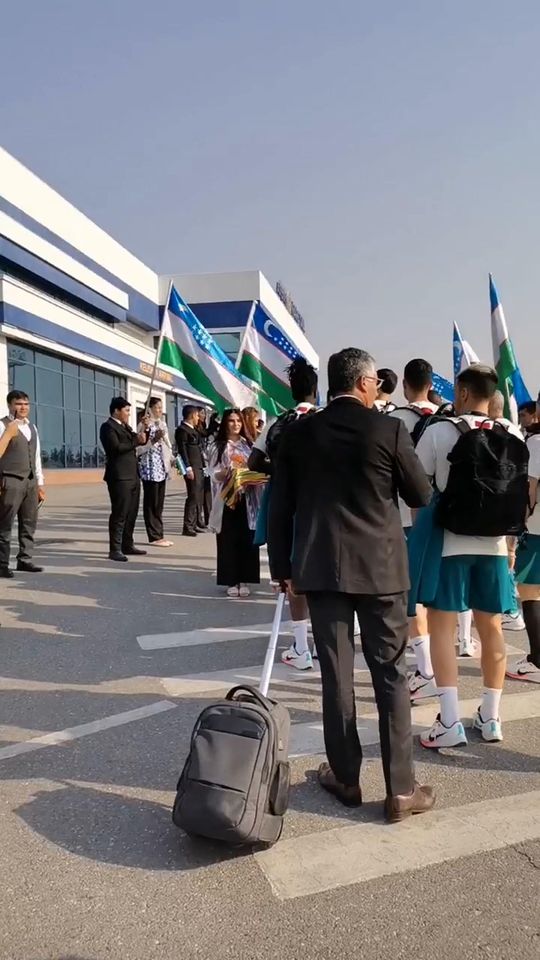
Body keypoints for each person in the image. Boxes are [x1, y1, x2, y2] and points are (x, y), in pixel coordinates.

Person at [268, 347, 435, 823]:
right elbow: (420, 493)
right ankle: (400, 789)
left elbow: (280, 507)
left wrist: (283, 568)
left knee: (336, 676)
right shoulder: (388, 429)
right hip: (381, 570)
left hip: (320, 568)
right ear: (364, 383)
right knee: (391, 674)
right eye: (376, 383)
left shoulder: (298, 434)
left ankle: (345, 778)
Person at [413, 364, 525, 748]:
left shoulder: (439, 431)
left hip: (450, 543)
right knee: (491, 628)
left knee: (443, 628)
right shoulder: (510, 431)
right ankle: (491, 717)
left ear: (461, 392)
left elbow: (416, 486)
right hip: (495, 545)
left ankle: (448, 720)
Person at [249, 358, 319, 669]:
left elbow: (253, 462)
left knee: (292, 576)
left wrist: (279, 470)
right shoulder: (326, 420)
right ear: (316, 390)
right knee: (320, 573)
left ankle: (301, 647)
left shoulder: (278, 422)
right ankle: (322, 644)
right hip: (319, 504)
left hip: (282, 503)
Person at [390, 360, 440, 702]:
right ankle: (443, 658)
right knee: (439, 596)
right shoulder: (446, 418)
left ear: (406, 384)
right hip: (443, 517)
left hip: (406, 519)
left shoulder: (397, 420)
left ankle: (426, 670)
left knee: (411, 598)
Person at [208, 409, 261, 599]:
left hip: (247, 498)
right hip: (227, 497)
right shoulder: (217, 446)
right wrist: (224, 474)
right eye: (231, 421)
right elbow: (212, 473)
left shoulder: (249, 445)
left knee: (247, 538)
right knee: (228, 538)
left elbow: (258, 468)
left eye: (238, 420)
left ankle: (245, 579)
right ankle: (231, 579)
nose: (236, 424)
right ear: (225, 423)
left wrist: (250, 476)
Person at [507, 403, 540, 682]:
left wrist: (521, 522)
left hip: (538, 528)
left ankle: (537, 661)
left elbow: (530, 487)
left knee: (530, 593)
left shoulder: (537, 442)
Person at [0, 390, 46, 577]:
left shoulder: (32, 428)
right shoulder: (3, 425)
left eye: (26, 404)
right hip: (9, 480)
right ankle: (2, 564)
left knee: (29, 523)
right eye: (19, 404)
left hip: (30, 482)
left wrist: (40, 484)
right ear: (10, 405)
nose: (23, 407)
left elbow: (36, 459)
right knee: (4, 524)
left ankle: (25, 560)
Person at [100, 398, 148, 562]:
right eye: (126, 410)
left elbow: (139, 440)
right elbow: (116, 448)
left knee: (131, 513)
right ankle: (115, 549)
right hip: (119, 476)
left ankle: (128, 544)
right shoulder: (108, 427)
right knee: (120, 513)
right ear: (116, 411)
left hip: (133, 475)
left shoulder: (125, 427)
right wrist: (136, 441)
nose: (128, 414)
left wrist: (144, 428)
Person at [136, 397, 173, 547]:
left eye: (161, 407)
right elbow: (139, 449)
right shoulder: (143, 425)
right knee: (151, 502)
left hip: (161, 468)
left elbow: (167, 445)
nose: (160, 410)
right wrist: (152, 441)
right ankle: (154, 536)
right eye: (157, 407)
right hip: (150, 468)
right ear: (149, 409)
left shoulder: (162, 424)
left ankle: (160, 534)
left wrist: (172, 458)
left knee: (159, 503)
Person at [175, 405, 205, 537]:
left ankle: (193, 524)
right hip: (191, 467)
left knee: (198, 496)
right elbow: (182, 450)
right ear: (192, 415)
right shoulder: (182, 430)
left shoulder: (194, 430)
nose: (199, 418)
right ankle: (187, 526)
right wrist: (188, 468)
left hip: (198, 466)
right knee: (192, 496)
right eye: (197, 415)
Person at [196, 407, 212, 528]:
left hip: (207, 462)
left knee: (208, 491)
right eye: (201, 413)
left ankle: (208, 517)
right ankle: (198, 519)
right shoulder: (195, 429)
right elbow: (205, 433)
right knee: (198, 493)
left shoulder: (203, 427)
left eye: (204, 413)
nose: (203, 415)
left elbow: (207, 432)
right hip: (199, 462)